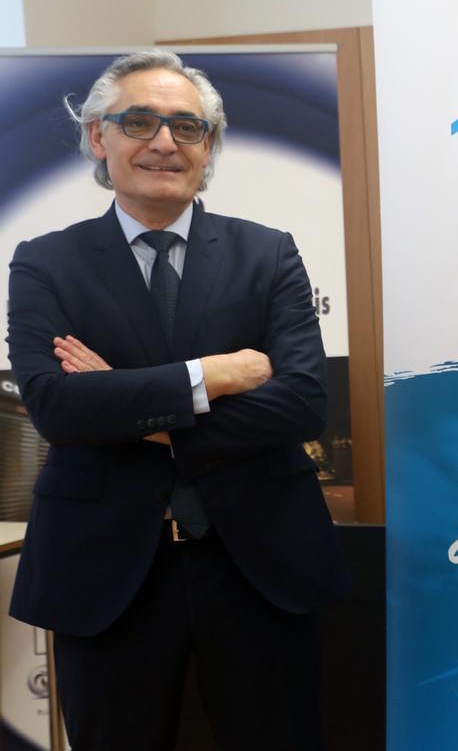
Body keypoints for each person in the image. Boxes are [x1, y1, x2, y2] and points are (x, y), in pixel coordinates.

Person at [5, 50, 349, 750]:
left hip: (258, 565)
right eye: (139, 121)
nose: (164, 142)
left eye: (187, 127)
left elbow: (302, 404)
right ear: (99, 138)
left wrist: (131, 410)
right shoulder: (44, 262)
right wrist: (213, 376)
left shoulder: (269, 254)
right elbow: (58, 411)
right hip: (107, 576)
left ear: (209, 146)